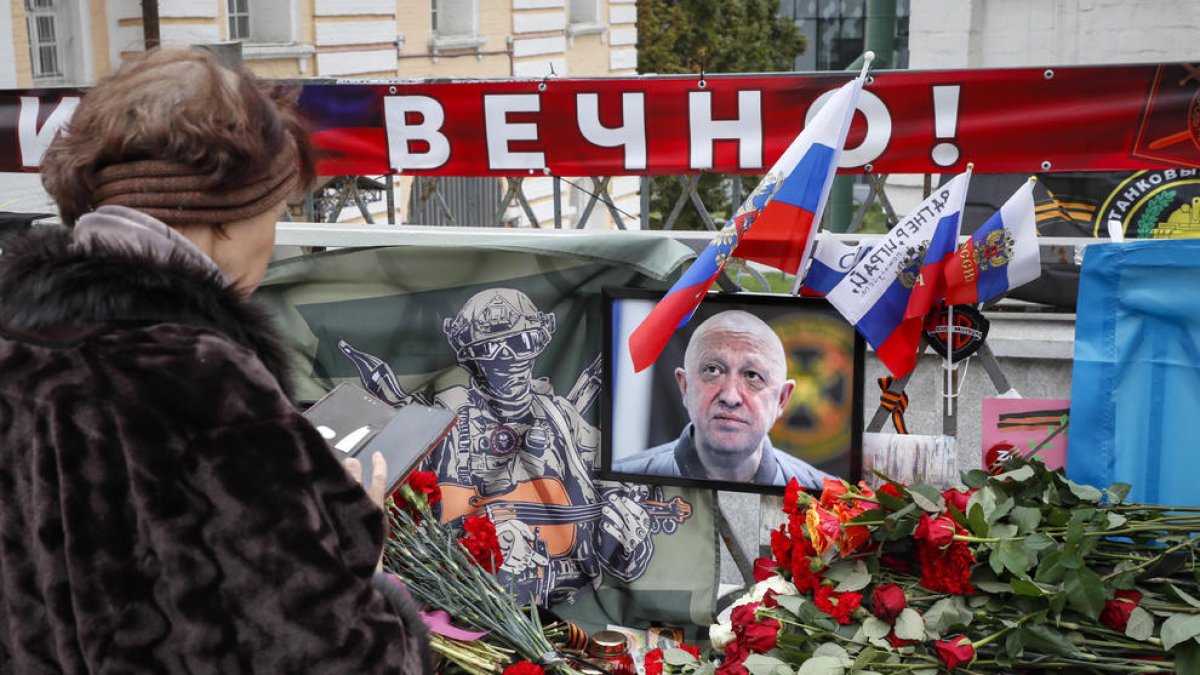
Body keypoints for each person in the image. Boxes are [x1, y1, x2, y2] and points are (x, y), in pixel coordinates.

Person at [0, 48, 430, 673]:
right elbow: (341, 656)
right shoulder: (204, 383)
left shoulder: (17, 339)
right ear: (229, 215)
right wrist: (358, 558)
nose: (273, 240)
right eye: (277, 212)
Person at [615, 310, 831, 489]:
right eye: (713, 370)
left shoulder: (828, 500)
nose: (730, 397)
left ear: (782, 399)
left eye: (752, 376)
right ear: (685, 386)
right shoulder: (618, 485)